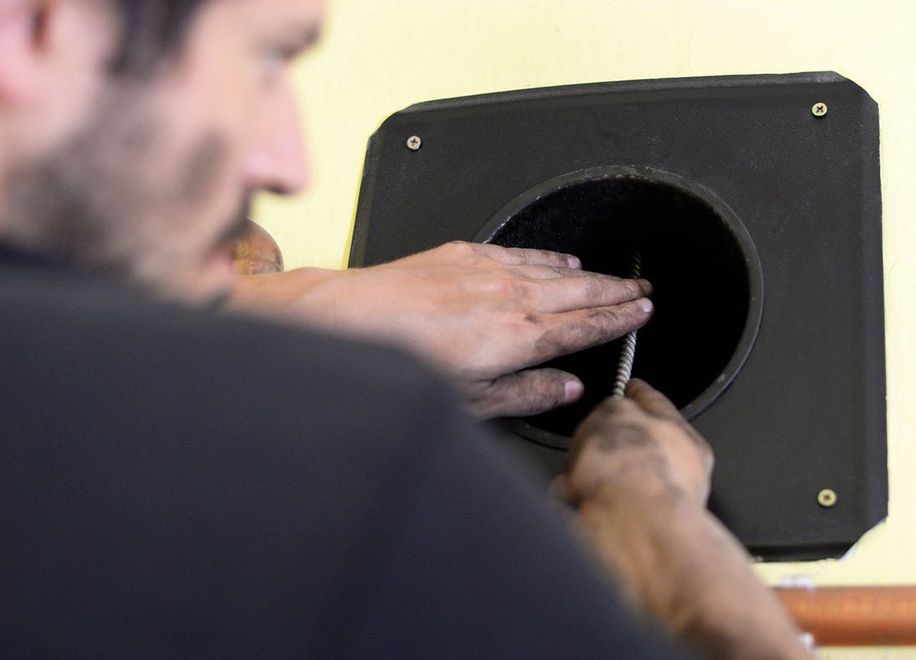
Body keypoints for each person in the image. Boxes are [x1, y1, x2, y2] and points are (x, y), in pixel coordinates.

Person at [0, 1, 810, 658]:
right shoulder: (365, 460)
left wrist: (286, 310)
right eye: (265, 59)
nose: (291, 164)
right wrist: (669, 547)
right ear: (36, 25)